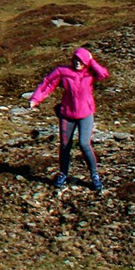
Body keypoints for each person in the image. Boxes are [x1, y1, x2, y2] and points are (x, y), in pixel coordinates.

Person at [30, 46, 110, 193]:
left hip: (86, 114)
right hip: (67, 114)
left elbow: (103, 75)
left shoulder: (90, 72)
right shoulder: (63, 71)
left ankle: (95, 175)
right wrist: (36, 98)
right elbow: (48, 83)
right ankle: (63, 173)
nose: (77, 62)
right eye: (76, 59)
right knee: (65, 146)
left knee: (84, 144)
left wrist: (91, 61)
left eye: (81, 60)